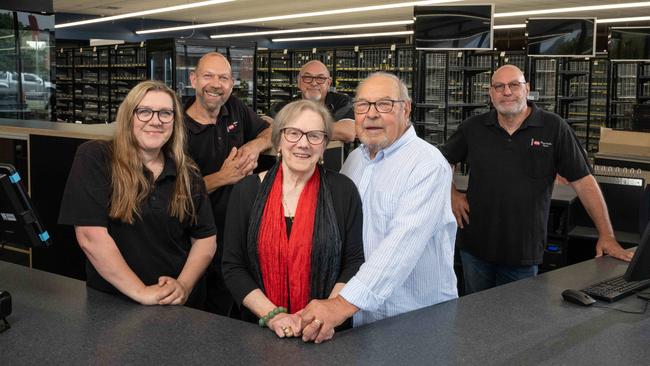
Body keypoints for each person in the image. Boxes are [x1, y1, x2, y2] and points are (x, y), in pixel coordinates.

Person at [439, 64, 633, 295]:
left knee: (520, 321)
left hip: (523, 251)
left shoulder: (553, 127)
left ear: (527, 88)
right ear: (491, 94)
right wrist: (450, 194)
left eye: (514, 85)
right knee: (474, 316)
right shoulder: (473, 127)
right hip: (475, 248)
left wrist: (607, 235)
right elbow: (440, 163)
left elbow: (584, 182)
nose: (507, 92)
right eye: (499, 87)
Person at [299, 72, 458, 343]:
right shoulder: (354, 161)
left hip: (415, 317)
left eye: (384, 104)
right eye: (363, 105)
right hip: (363, 317)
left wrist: (340, 305)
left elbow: (401, 245)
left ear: (405, 109)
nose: (371, 114)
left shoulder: (426, 165)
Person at [59, 80, 217, 308]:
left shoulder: (187, 171)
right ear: (128, 117)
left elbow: (205, 239)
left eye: (165, 113)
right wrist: (141, 292)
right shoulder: (96, 157)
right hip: (113, 303)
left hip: (177, 307)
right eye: (144, 112)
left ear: (175, 121)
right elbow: (90, 237)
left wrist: (183, 286)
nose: (155, 121)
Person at [222, 99, 364, 339]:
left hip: (324, 334)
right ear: (278, 140)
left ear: (324, 145)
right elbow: (233, 267)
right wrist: (274, 316)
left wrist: (324, 315)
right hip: (259, 330)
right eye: (293, 133)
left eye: (314, 136)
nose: (303, 144)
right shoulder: (247, 191)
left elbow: (353, 262)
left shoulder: (343, 190)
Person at [184, 52, 272, 316]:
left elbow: (270, 130)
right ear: (193, 80)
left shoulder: (234, 108)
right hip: (195, 237)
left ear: (232, 84)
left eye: (223, 77)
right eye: (208, 76)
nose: (215, 84)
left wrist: (255, 146)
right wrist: (224, 176)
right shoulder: (176, 126)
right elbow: (173, 193)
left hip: (237, 236)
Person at [269, 60, 356, 143]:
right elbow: (266, 127)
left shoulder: (341, 101)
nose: (314, 83)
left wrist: (291, 127)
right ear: (299, 82)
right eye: (307, 77)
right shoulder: (287, 105)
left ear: (328, 83)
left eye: (320, 78)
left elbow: (348, 132)